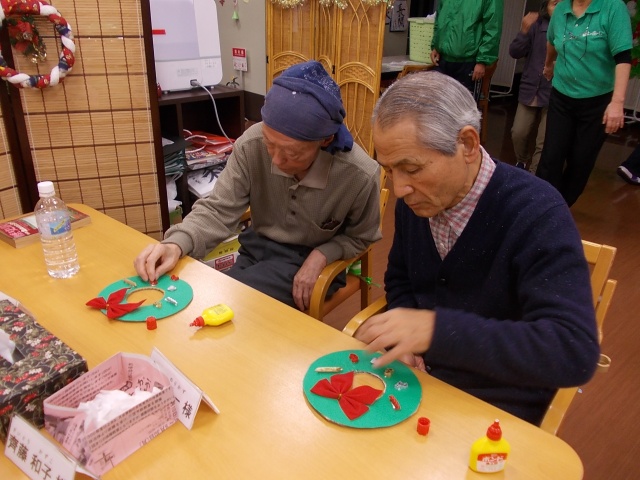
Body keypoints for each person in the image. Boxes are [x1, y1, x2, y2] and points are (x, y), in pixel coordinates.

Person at [355, 71, 600, 426]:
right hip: (417, 381)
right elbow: (401, 279)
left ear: (468, 144)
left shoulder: (536, 212)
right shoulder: (419, 200)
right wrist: (405, 341)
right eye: (390, 170)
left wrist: (436, 332)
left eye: (411, 168)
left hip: (496, 404)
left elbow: (572, 349)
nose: (399, 188)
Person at [135, 61, 382, 311]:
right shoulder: (251, 145)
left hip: (311, 261)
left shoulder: (359, 174)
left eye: (292, 153)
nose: (276, 161)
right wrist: (176, 243)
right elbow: (219, 209)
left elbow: (361, 237)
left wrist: (323, 254)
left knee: (231, 305)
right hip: (257, 249)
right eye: (269, 144)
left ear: (326, 140)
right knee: (206, 296)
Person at [536, 0, 632, 206]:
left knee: (580, 161)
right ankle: (542, 209)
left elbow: (623, 58)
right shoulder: (561, 9)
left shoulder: (613, 8)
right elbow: (552, 41)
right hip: (562, 97)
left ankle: (560, 208)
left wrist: (617, 102)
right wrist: (548, 64)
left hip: (597, 101)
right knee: (551, 157)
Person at [509, 0, 559, 173]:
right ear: (546, 6)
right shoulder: (537, 25)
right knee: (518, 132)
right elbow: (515, 52)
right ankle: (522, 161)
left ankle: (535, 174)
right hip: (531, 88)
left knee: (544, 140)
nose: (559, 7)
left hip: (556, 92)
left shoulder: (571, 30)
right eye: (555, 3)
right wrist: (524, 30)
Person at [430, 0, 503, 97]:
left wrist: (482, 61)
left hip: (468, 63)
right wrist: (436, 45)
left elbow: (493, 29)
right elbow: (439, 18)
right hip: (443, 60)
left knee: (463, 104)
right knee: (438, 102)